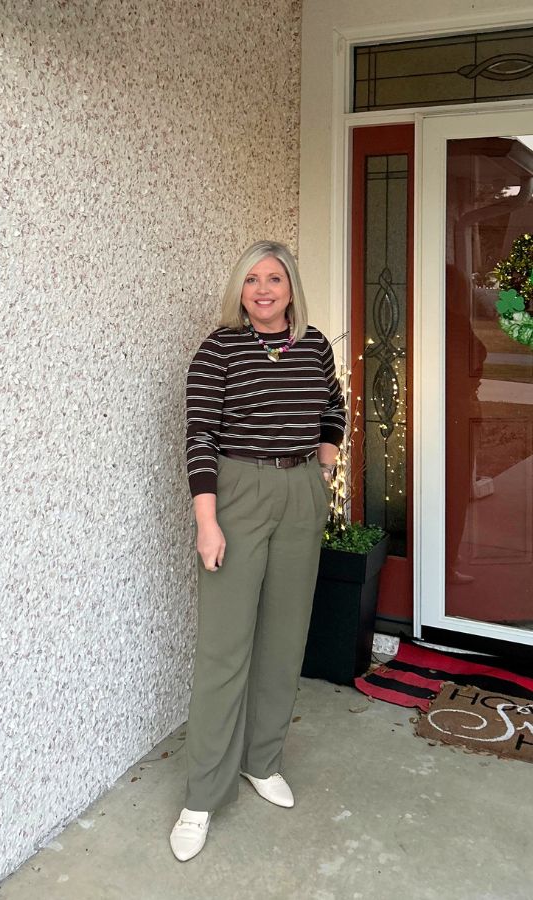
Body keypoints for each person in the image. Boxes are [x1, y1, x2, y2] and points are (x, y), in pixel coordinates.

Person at [170, 240, 346, 861]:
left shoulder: (315, 345)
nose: (263, 289)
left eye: (274, 278)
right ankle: (201, 794)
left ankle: (261, 760)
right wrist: (206, 523)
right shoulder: (219, 349)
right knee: (224, 648)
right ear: (239, 291)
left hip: (300, 491)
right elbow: (200, 437)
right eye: (251, 279)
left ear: (291, 287)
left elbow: (333, 405)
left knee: (284, 636)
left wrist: (322, 464)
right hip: (237, 492)